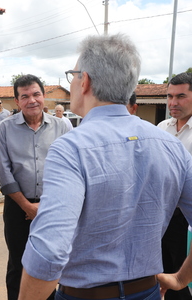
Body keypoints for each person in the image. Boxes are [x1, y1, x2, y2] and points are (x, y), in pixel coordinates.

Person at [18, 34, 192, 300]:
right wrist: (181, 279)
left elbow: (50, 250)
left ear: (84, 81)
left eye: (72, 75)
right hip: (147, 291)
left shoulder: (70, 149)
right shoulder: (171, 145)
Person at [0, 74, 69, 300]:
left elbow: (68, 169)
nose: (32, 100)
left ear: (44, 96)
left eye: (36, 94)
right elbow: (4, 172)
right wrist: (27, 206)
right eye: (25, 96)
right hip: (17, 206)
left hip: (52, 207)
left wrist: (44, 206)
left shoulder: (62, 126)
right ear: (17, 102)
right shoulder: (5, 128)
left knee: (52, 262)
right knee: (18, 262)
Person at [157, 72, 192, 300]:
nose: (173, 103)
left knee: (183, 281)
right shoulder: (161, 128)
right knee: (160, 275)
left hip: (187, 220)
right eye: (170, 96)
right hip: (161, 215)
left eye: (181, 96)